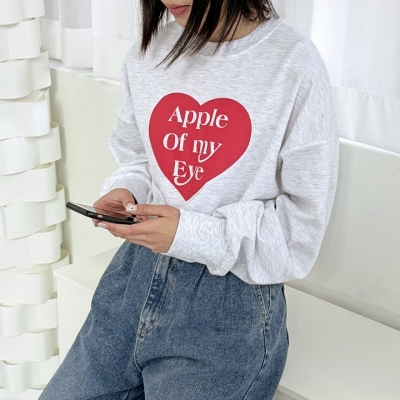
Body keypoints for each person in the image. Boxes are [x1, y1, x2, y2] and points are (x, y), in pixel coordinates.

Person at [40, 0, 339, 399]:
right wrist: (127, 191)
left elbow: (298, 234)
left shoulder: (294, 63)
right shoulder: (149, 53)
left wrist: (186, 233)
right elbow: (137, 159)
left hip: (229, 305)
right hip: (131, 279)